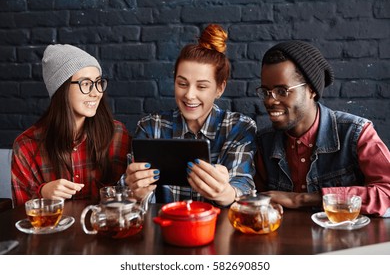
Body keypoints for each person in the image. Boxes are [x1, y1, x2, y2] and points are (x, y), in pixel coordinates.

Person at [124, 24, 257, 207]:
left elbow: (243, 185)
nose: (189, 95)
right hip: (164, 227)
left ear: (220, 88)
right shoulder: (150, 126)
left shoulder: (239, 127)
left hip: (215, 229)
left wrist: (226, 192)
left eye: (201, 86)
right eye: (182, 84)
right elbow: (128, 192)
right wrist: (135, 191)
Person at [255, 40, 390, 217]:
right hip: (285, 243)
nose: (270, 101)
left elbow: (386, 193)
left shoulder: (356, 133)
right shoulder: (264, 143)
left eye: (282, 91)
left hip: (348, 242)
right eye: (266, 92)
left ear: (311, 90)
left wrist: (304, 199)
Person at [11, 44, 130, 206]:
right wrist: (43, 193)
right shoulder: (26, 146)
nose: (96, 93)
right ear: (61, 88)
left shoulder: (117, 134)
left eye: (98, 82)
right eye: (86, 84)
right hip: (51, 231)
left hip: (104, 229)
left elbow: (127, 200)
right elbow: (19, 215)